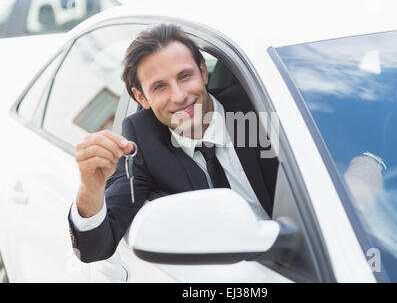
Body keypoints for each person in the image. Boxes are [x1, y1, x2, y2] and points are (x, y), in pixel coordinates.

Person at [68, 24, 279, 263]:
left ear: (203, 72)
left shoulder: (258, 111)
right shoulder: (143, 141)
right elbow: (95, 248)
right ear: (141, 98)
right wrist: (90, 187)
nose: (179, 96)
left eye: (185, 76)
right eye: (160, 87)